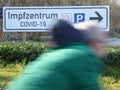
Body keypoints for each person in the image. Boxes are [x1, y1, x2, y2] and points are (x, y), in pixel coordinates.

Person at [5, 20, 105, 90]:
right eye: (102, 42)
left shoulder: (49, 55)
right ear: (93, 42)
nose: (105, 51)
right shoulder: (84, 55)